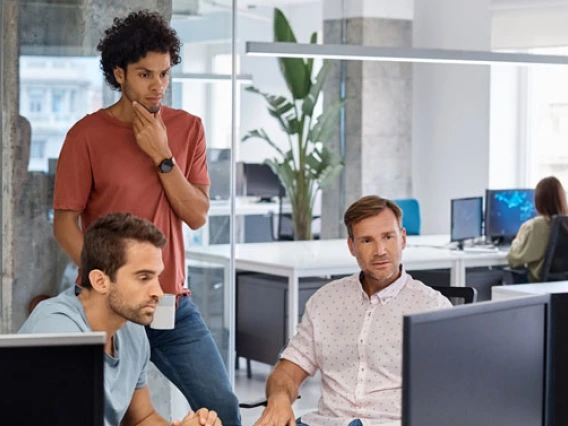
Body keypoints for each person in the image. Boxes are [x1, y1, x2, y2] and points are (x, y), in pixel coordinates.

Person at [51, 10, 240, 425]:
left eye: (164, 74)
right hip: (106, 302)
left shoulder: (187, 129)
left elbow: (197, 215)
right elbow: (64, 224)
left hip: (170, 300)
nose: (158, 86)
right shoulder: (85, 136)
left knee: (222, 406)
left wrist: (162, 155)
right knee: (100, 411)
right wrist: (105, 281)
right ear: (119, 74)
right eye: (144, 74)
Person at [253, 195, 452, 426]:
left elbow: (450, 393)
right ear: (351, 246)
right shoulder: (326, 301)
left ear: (403, 239)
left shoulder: (432, 307)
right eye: (367, 241)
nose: (380, 250)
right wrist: (278, 399)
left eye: (388, 237)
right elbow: (288, 370)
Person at [20, 213, 222, 426]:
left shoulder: (131, 327)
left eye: (157, 277)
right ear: (100, 281)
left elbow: (141, 418)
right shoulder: (58, 333)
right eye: (143, 278)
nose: (159, 293)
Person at [508, 176, 568, 282]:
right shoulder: (564, 222)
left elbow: (514, 259)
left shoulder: (537, 225)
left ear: (538, 200)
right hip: (562, 286)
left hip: (537, 286)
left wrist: (517, 239)